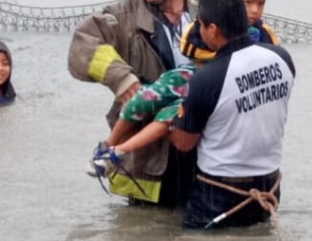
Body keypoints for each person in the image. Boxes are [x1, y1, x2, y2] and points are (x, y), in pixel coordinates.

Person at [69, 0, 213, 207]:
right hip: (150, 165)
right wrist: (122, 79)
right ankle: (108, 153)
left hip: (209, 153)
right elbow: (81, 46)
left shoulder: (214, 4)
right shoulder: (123, 17)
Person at [169, 0, 296, 230]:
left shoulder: (207, 79)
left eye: (201, 25)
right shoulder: (283, 58)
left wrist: (166, 119)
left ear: (213, 29)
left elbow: (184, 143)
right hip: (269, 188)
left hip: (218, 195)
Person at [88, 19, 217, 200]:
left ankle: (117, 152)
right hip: (185, 76)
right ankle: (108, 146)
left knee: (167, 119)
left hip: (201, 89)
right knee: (139, 102)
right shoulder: (185, 67)